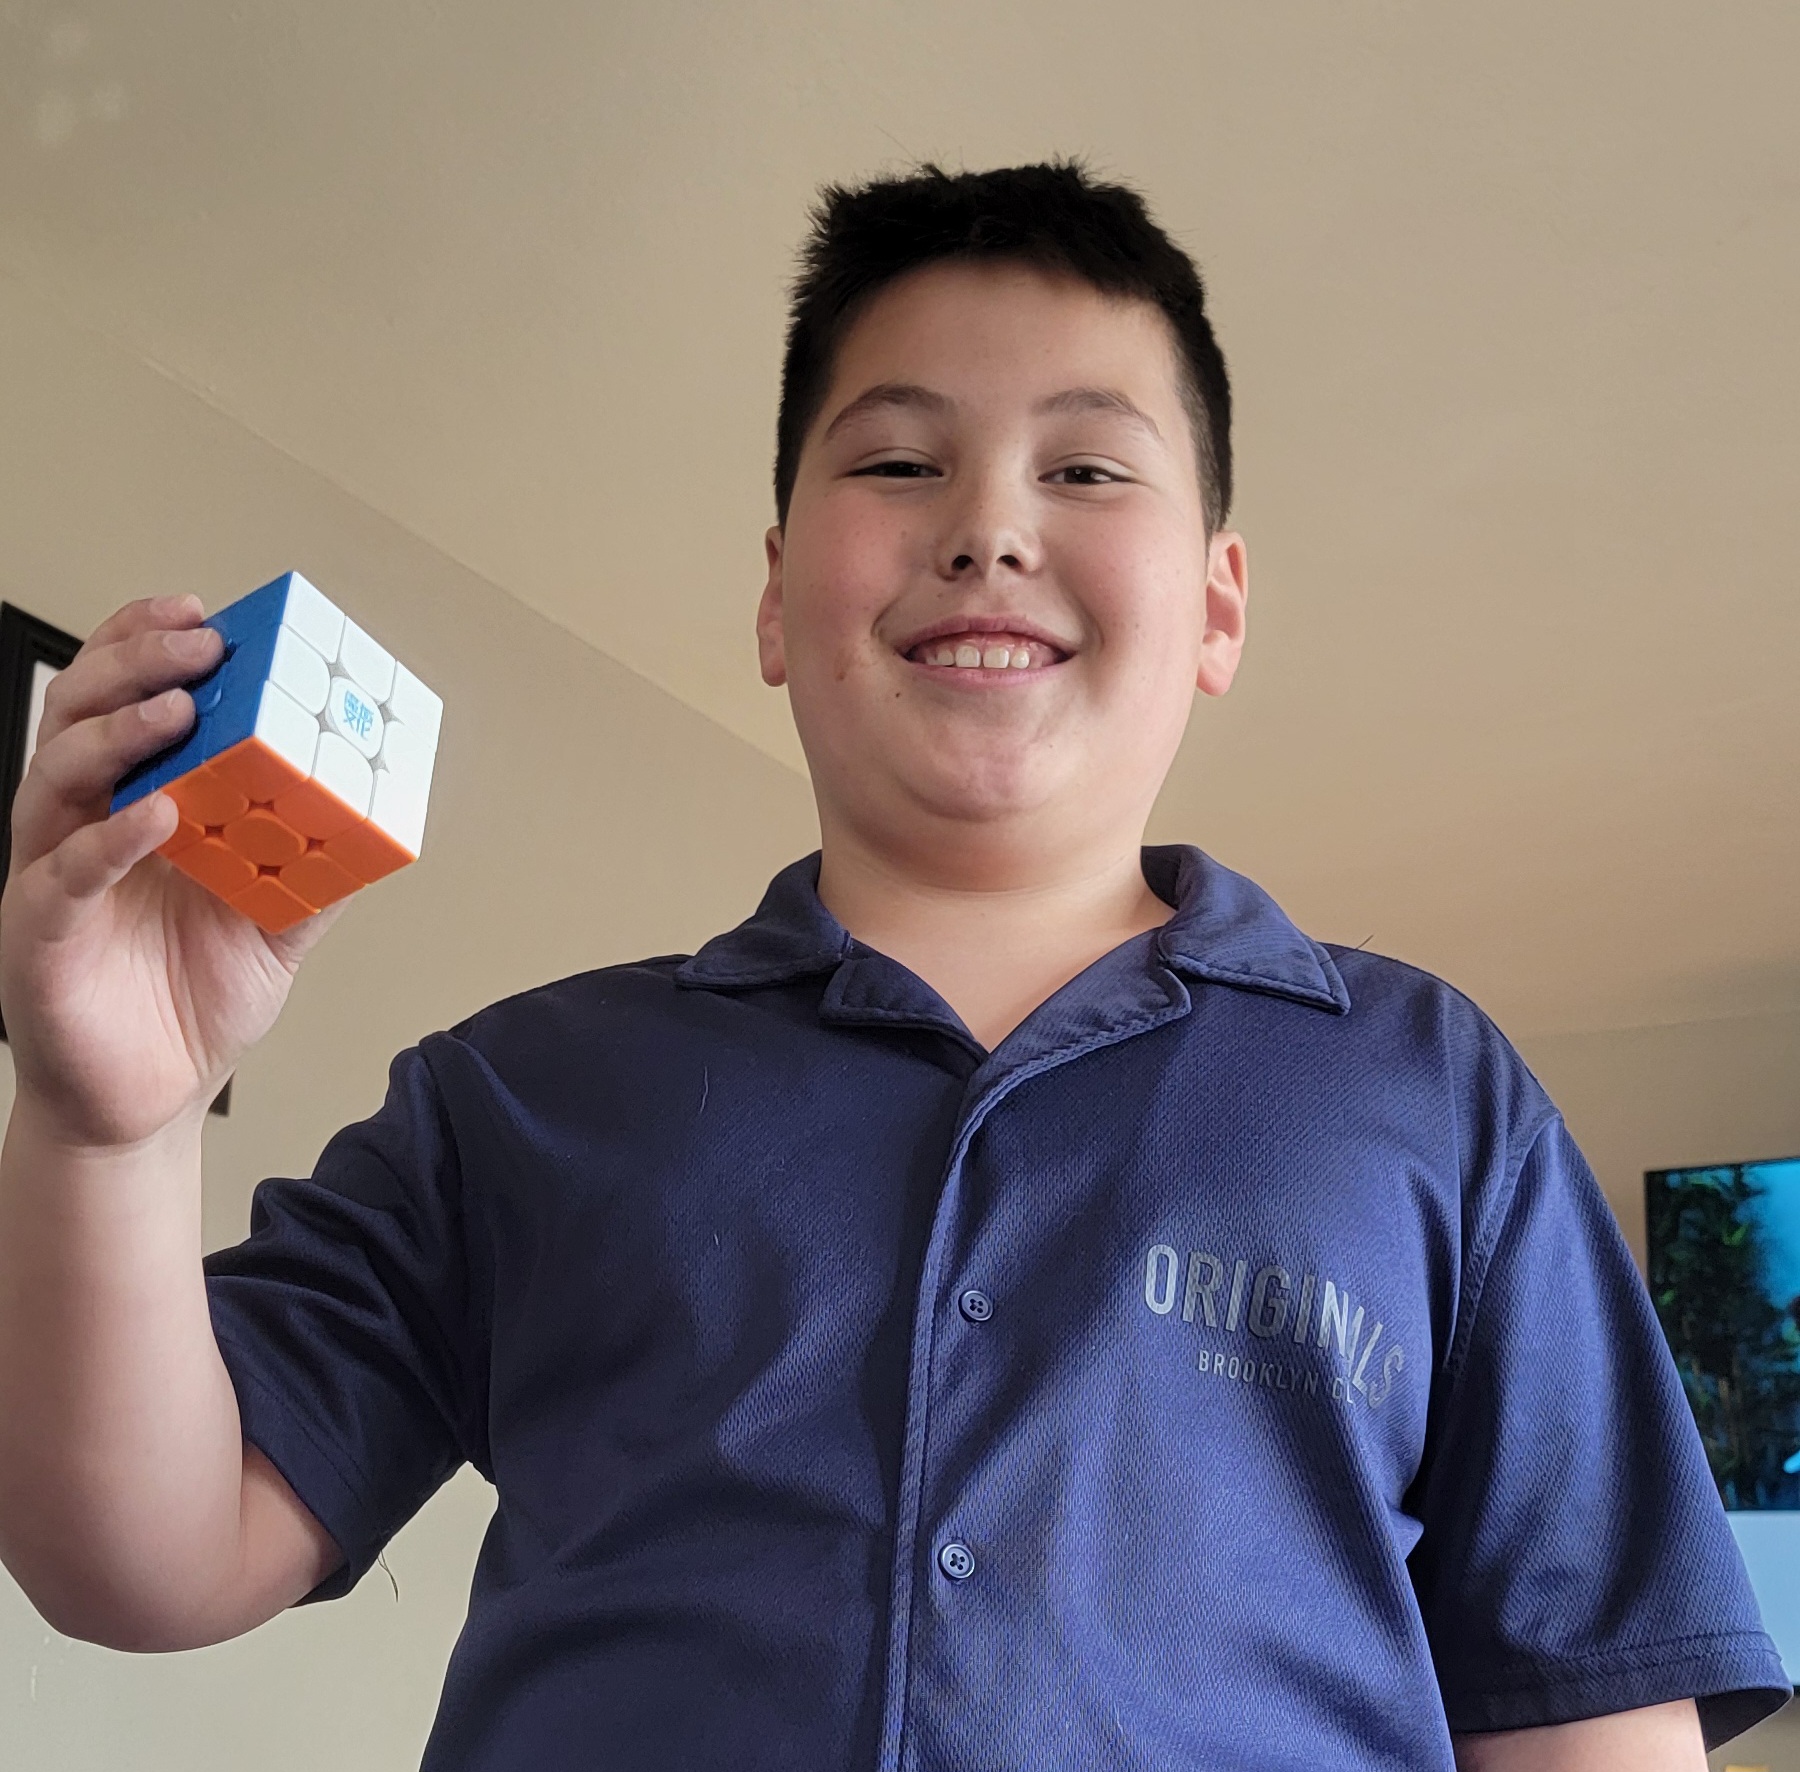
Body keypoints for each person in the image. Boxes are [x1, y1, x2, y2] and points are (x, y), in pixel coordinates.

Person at [0, 162, 1786, 1771]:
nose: (988, 526)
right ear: (778, 596)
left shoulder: (1430, 1091)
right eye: (899, 461)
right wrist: (105, 1131)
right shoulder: (516, 1096)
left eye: (1085, 468)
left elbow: (1592, 1722)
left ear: (1218, 604)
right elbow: (143, 1559)